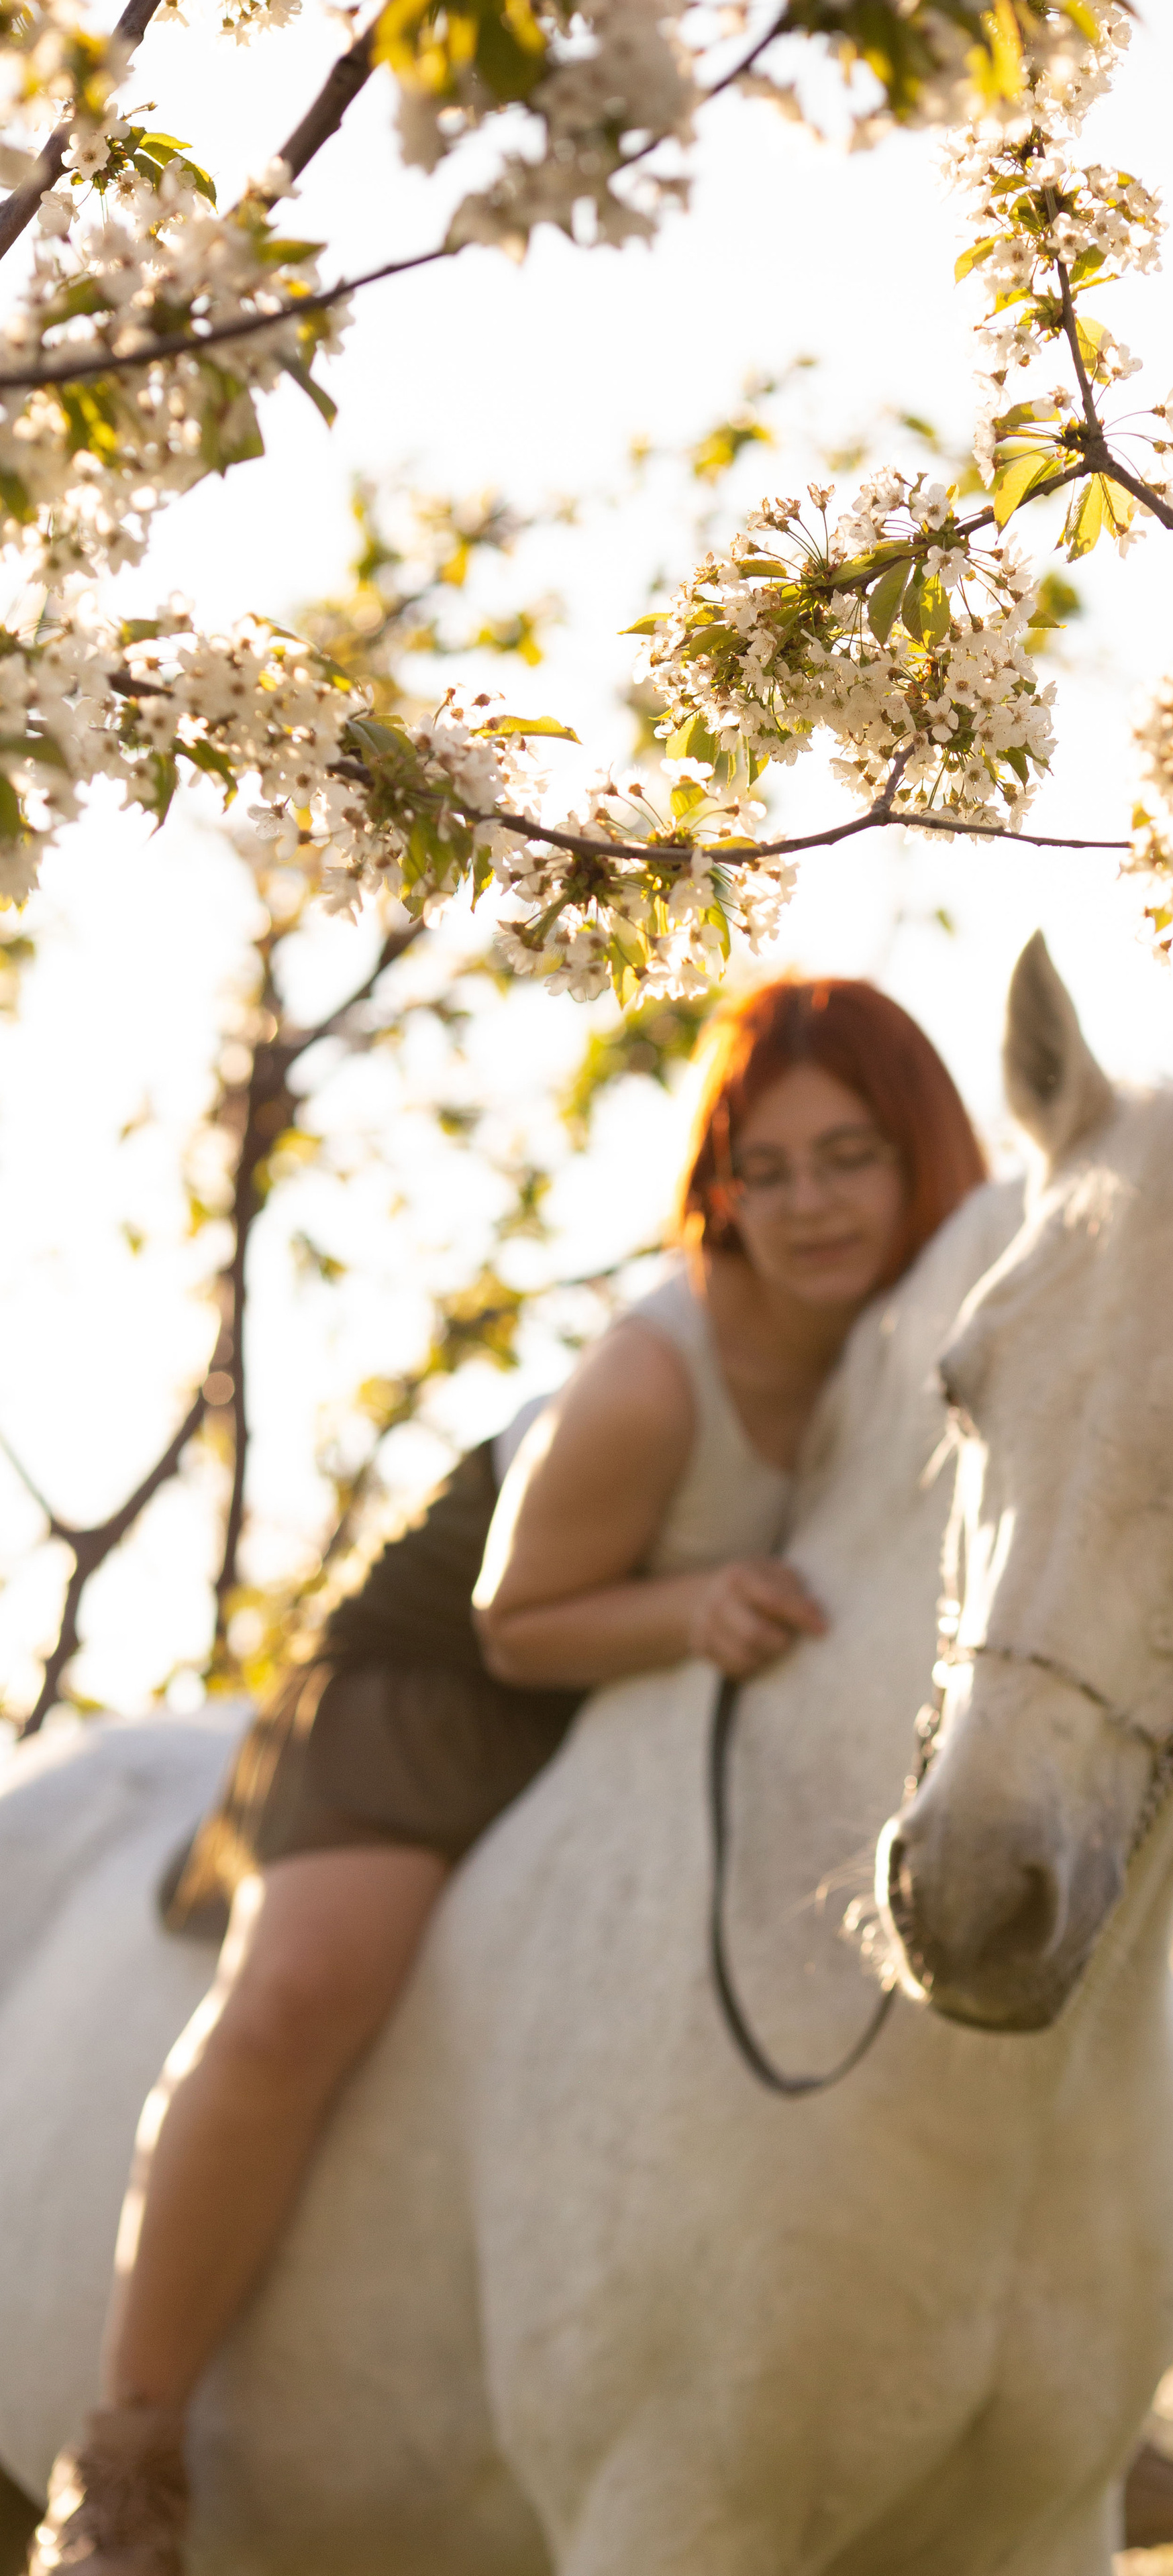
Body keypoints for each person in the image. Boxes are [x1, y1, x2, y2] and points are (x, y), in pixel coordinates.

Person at [29, 975, 990, 2576]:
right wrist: (689, 1607)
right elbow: (519, 1621)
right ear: (721, 1186)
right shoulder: (653, 1374)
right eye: (769, 1167)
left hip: (689, 1711)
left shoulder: (935, 1339)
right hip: (461, 1683)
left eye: (851, 1157)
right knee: (302, 1991)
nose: (810, 1203)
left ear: (921, 1162)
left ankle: (1025, 2387)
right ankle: (127, 2454)